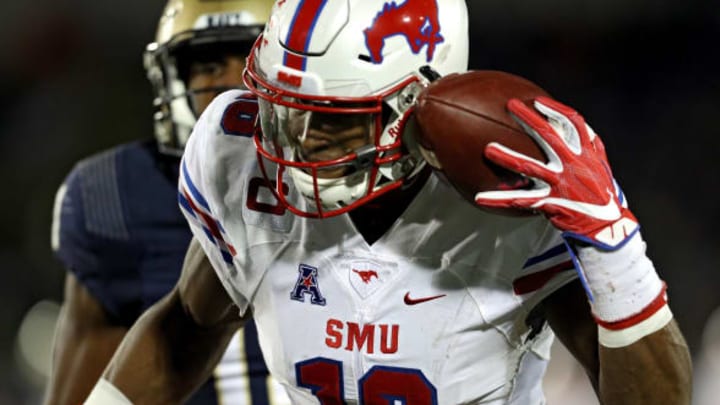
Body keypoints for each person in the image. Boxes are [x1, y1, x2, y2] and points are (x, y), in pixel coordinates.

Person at [85, 0, 692, 403]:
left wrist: (615, 247)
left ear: (419, 105)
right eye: (281, 108)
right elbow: (186, 326)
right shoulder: (240, 157)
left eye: (329, 120)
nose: (291, 143)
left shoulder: (510, 203)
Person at [45, 1, 289, 404]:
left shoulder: (352, 177)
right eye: (208, 66)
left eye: (250, 61)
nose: (231, 86)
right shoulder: (115, 196)